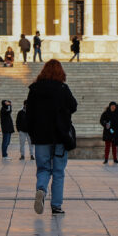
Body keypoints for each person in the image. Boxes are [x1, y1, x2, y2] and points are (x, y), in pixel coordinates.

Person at [24, 59, 78, 215]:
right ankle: (56, 205)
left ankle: (41, 189)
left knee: (43, 169)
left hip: (41, 137)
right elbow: (73, 106)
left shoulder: (34, 89)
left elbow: (29, 114)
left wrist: (33, 132)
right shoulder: (62, 88)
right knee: (58, 171)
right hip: (60, 136)